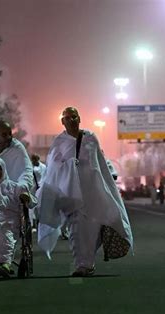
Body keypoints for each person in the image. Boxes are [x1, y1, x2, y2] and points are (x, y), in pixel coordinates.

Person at [36, 107, 133, 277]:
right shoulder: (59, 142)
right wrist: (68, 165)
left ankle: (88, 263)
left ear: (79, 119)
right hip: (71, 194)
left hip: (93, 193)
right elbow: (53, 168)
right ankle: (82, 264)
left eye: (74, 117)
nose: (72, 120)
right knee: (77, 229)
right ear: (62, 122)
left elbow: (100, 164)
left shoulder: (91, 138)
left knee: (93, 228)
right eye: (68, 118)